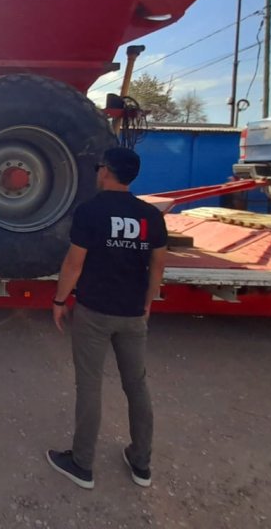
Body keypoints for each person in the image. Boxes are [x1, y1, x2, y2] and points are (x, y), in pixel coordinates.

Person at [46, 146, 167, 490]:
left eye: (99, 167)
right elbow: (157, 265)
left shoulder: (91, 212)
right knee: (137, 385)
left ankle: (82, 464)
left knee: (90, 385)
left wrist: (59, 300)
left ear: (106, 172)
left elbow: (74, 263)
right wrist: (148, 302)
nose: (98, 172)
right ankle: (141, 463)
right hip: (132, 313)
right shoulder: (151, 216)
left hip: (95, 312)